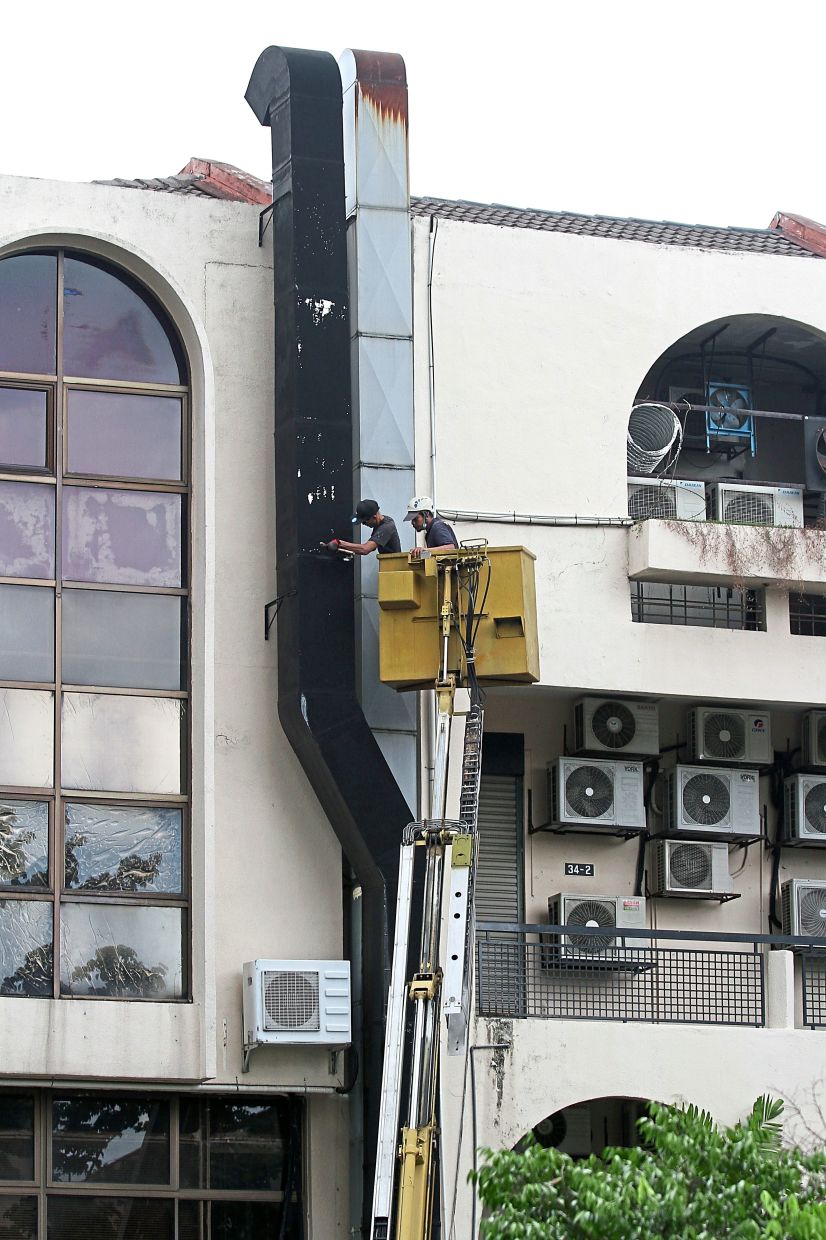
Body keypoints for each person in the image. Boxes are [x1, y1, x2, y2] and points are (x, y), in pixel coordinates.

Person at [325, 499, 401, 556]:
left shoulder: (386, 527)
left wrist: (339, 543)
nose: (363, 524)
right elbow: (372, 547)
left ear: (374, 517)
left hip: (394, 567)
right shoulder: (379, 524)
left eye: (364, 522)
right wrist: (340, 548)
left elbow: (366, 549)